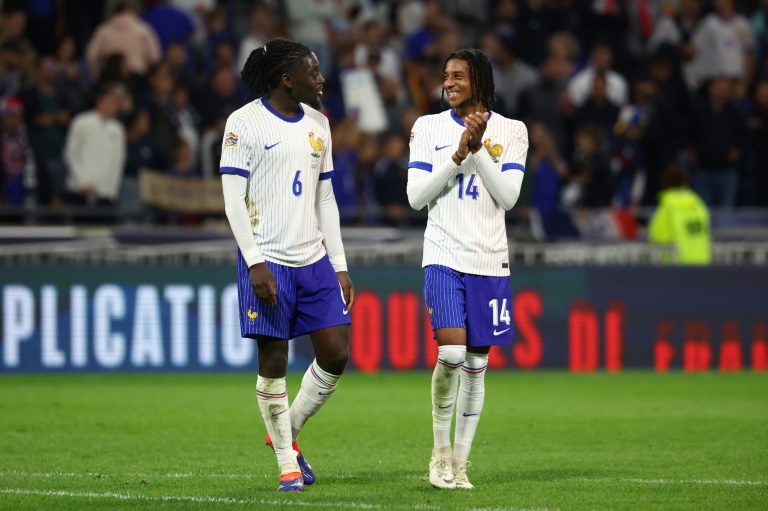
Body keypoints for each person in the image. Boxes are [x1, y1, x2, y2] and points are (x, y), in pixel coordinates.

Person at [219, 38, 354, 493]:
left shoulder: (319, 124)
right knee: (273, 360)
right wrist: (254, 262)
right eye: (313, 72)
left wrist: (338, 263)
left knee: (336, 353)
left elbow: (326, 197)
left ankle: (287, 431)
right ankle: (286, 464)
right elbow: (233, 200)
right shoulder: (243, 123)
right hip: (269, 258)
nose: (321, 79)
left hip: (313, 257)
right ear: (286, 78)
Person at [407, 48, 528, 490]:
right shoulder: (428, 126)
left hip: (489, 259)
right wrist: (458, 156)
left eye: (458, 75)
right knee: (452, 354)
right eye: (446, 75)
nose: (449, 82)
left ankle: (460, 462)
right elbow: (416, 197)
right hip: (443, 254)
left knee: (477, 365)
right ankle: (439, 454)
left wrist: (479, 153)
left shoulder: (513, 131)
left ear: (479, 79)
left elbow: (509, 197)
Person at [648, 164, 711, 264]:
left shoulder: (668, 207)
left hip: (676, 269)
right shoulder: (698, 204)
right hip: (701, 265)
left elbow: (657, 237)